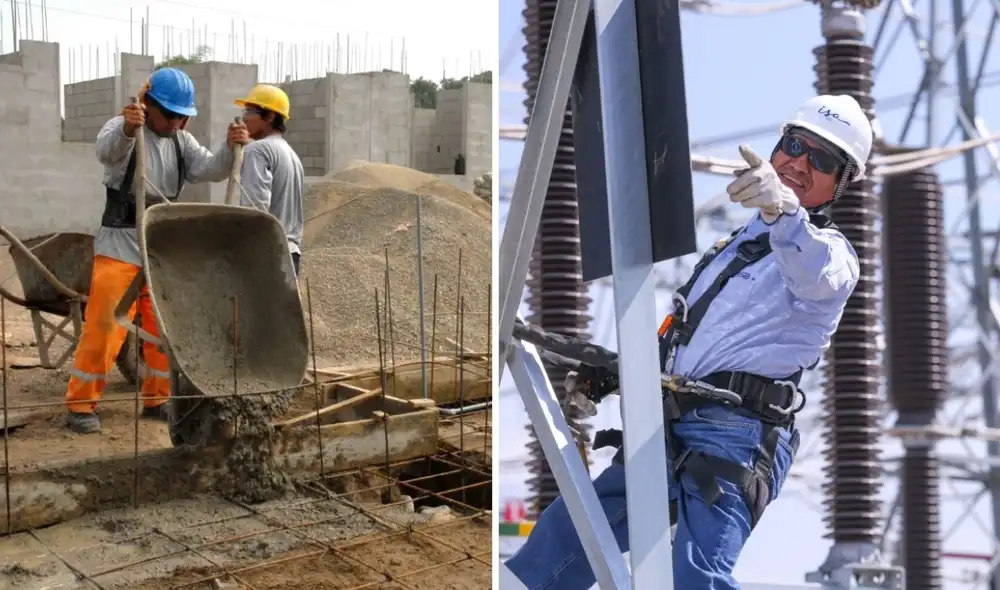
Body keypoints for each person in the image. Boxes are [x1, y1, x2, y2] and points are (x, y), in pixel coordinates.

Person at [504, 94, 873, 589]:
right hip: (672, 421)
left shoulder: (832, 257)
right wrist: (621, 373)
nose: (800, 164)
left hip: (736, 436)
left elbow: (810, 270)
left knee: (698, 577)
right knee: (564, 539)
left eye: (822, 160)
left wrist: (783, 211)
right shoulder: (737, 245)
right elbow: (689, 334)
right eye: (794, 146)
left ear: (842, 181)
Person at [65, 67, 251, 435]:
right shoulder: (122, 129)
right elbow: (106, 151)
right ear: (147, 105)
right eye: (169, 115)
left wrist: (231, 148)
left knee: (162, 328)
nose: (176, 123)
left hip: (160, 247)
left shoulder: (182, 142)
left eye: (182, 116)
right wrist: (126, 128)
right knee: (106, 325)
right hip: (121, 244)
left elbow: (210, 169)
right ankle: (81, 404)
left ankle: (157, 398)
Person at [233, 84, 305, 276]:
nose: (245, 117)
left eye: (250, 111)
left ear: (270, 116)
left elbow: (255, 210)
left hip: (267, 253)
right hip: (291, 254)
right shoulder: (291, 154)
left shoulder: (257, 151)